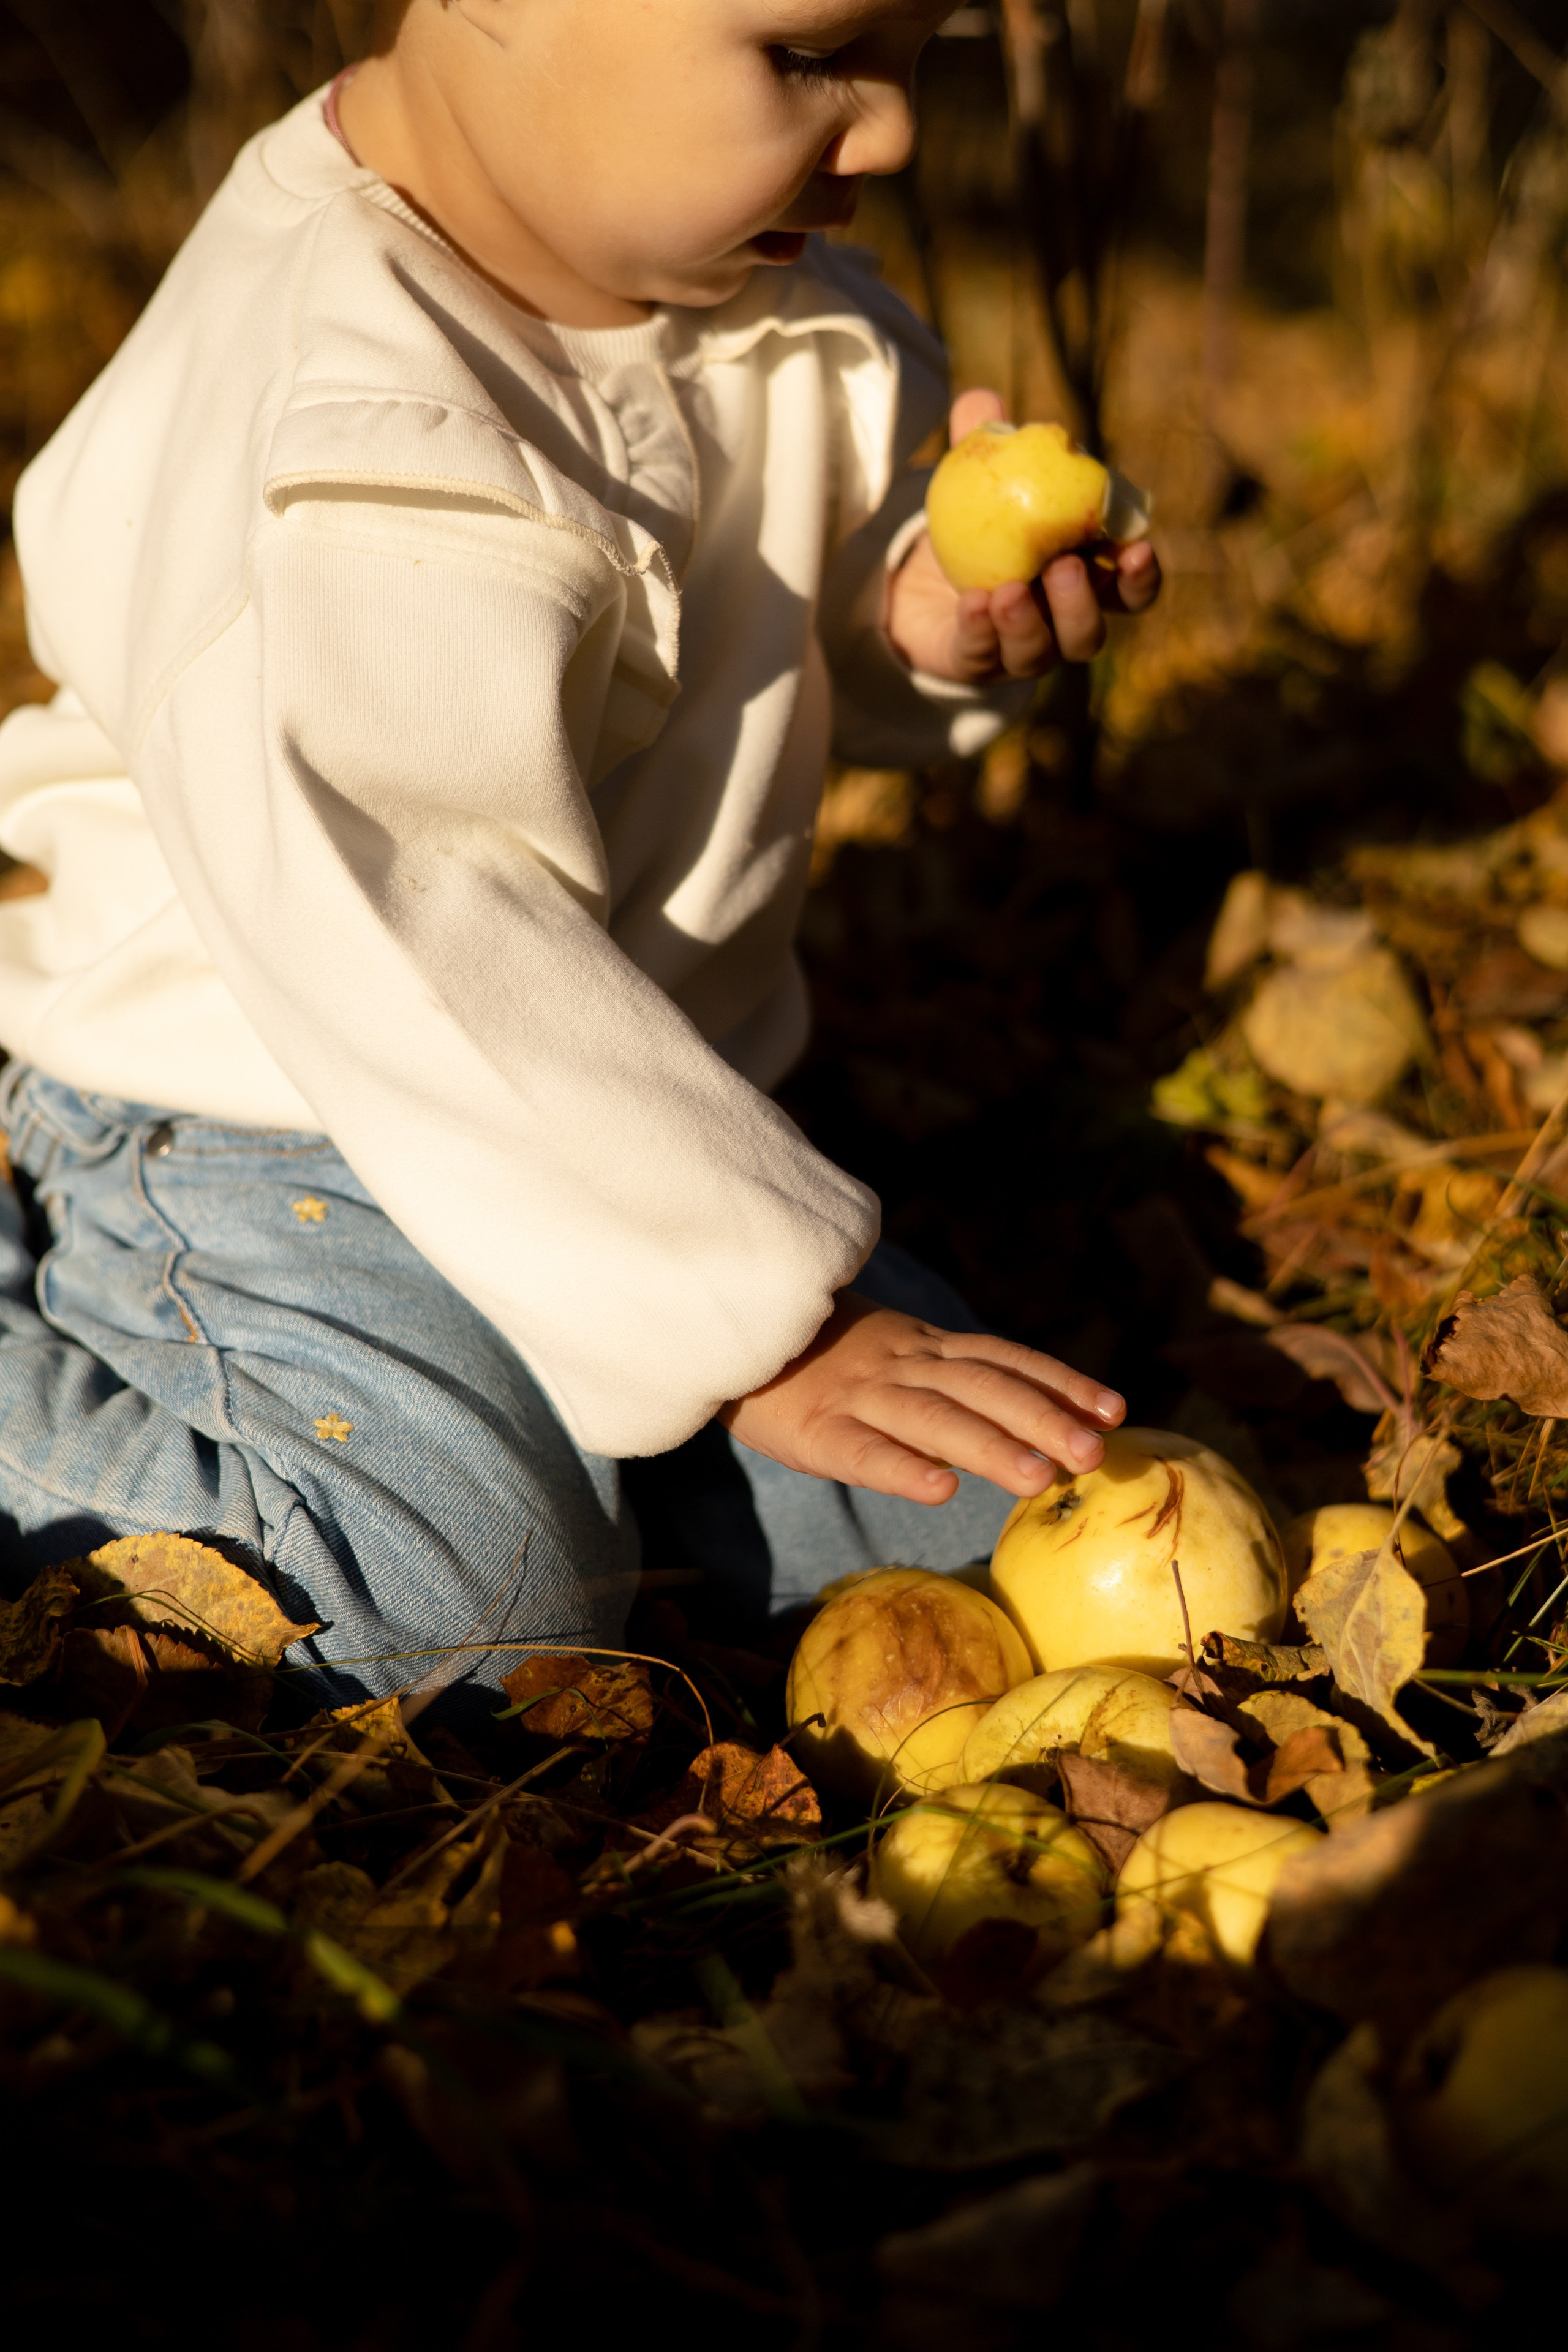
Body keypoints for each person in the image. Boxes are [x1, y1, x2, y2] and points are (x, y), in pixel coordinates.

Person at [0, 0, 1158, 1708]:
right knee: (450, 1612)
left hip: (627, 1112)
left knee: (993, 1529)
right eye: (806, 56)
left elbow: (777, 620)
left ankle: (615, 1369)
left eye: (925, 47)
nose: (899, 130)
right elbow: (425, 934)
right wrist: (762, 1321)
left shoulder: (730, 277)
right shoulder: (347, 431)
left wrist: (917, 619)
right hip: (276, 1122)